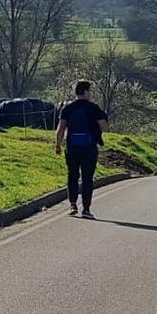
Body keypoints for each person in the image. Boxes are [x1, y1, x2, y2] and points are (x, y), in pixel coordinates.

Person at [55, 79, 109, 218]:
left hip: (72, 147)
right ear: (85, 92)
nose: (91, 94)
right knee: (87, 178)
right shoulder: (93, 108)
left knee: (72, 175)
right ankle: (86, 209)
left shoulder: (68, 108)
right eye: (90, 91)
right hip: (89, 147)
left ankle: (72, 205)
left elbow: (61, 129)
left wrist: (58, 145)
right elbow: (104, 127)